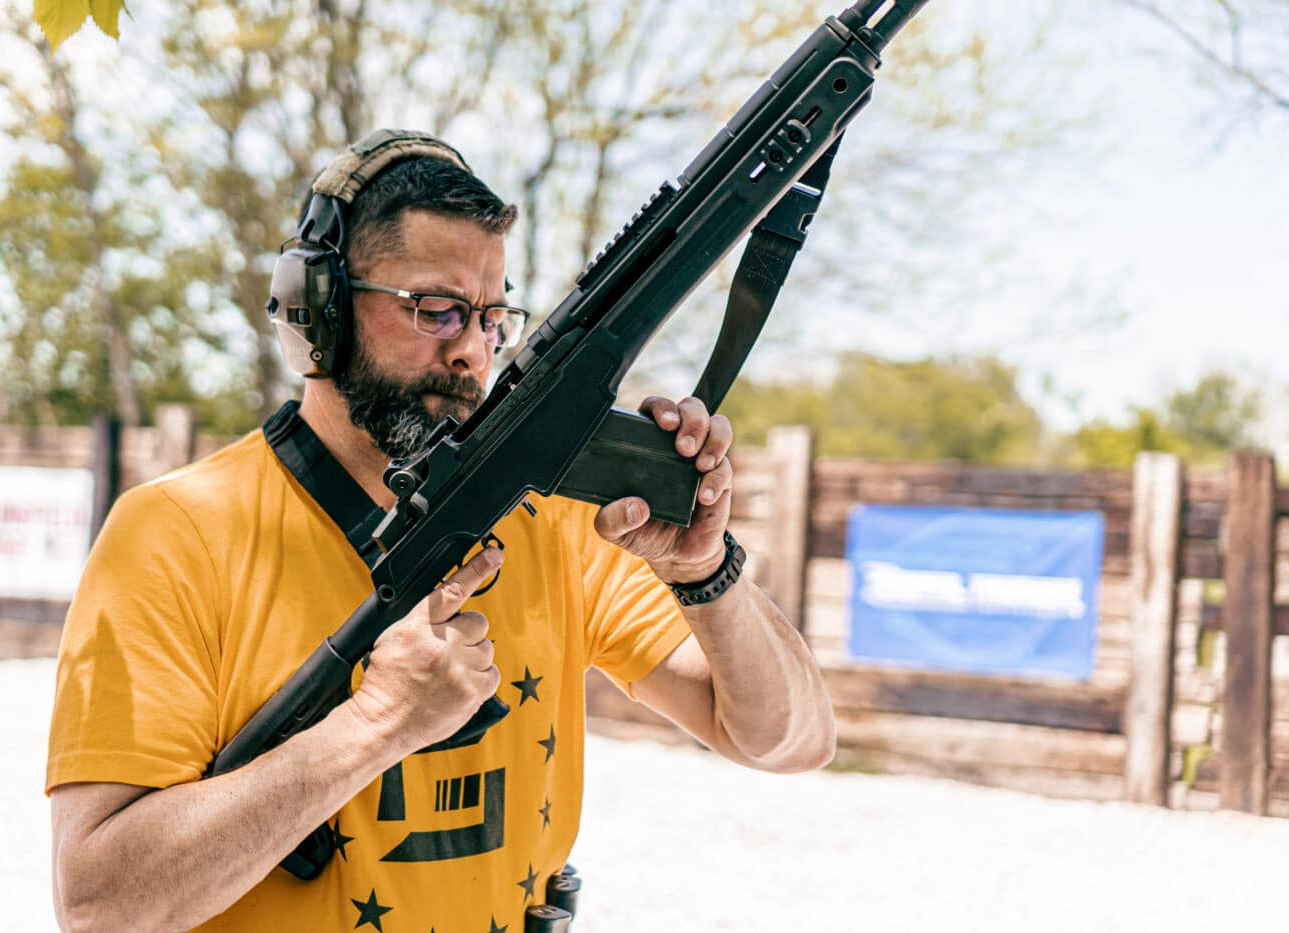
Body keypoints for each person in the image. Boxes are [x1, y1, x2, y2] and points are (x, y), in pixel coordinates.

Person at [47, 130, 835, 933]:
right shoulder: (180, 531)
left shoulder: (553, 517)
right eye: (437, 310)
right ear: (318, 309)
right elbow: (99, 906)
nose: (471, 351)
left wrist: (708, 573)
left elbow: (788, 739)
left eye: (494, 317)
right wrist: (371, 726)